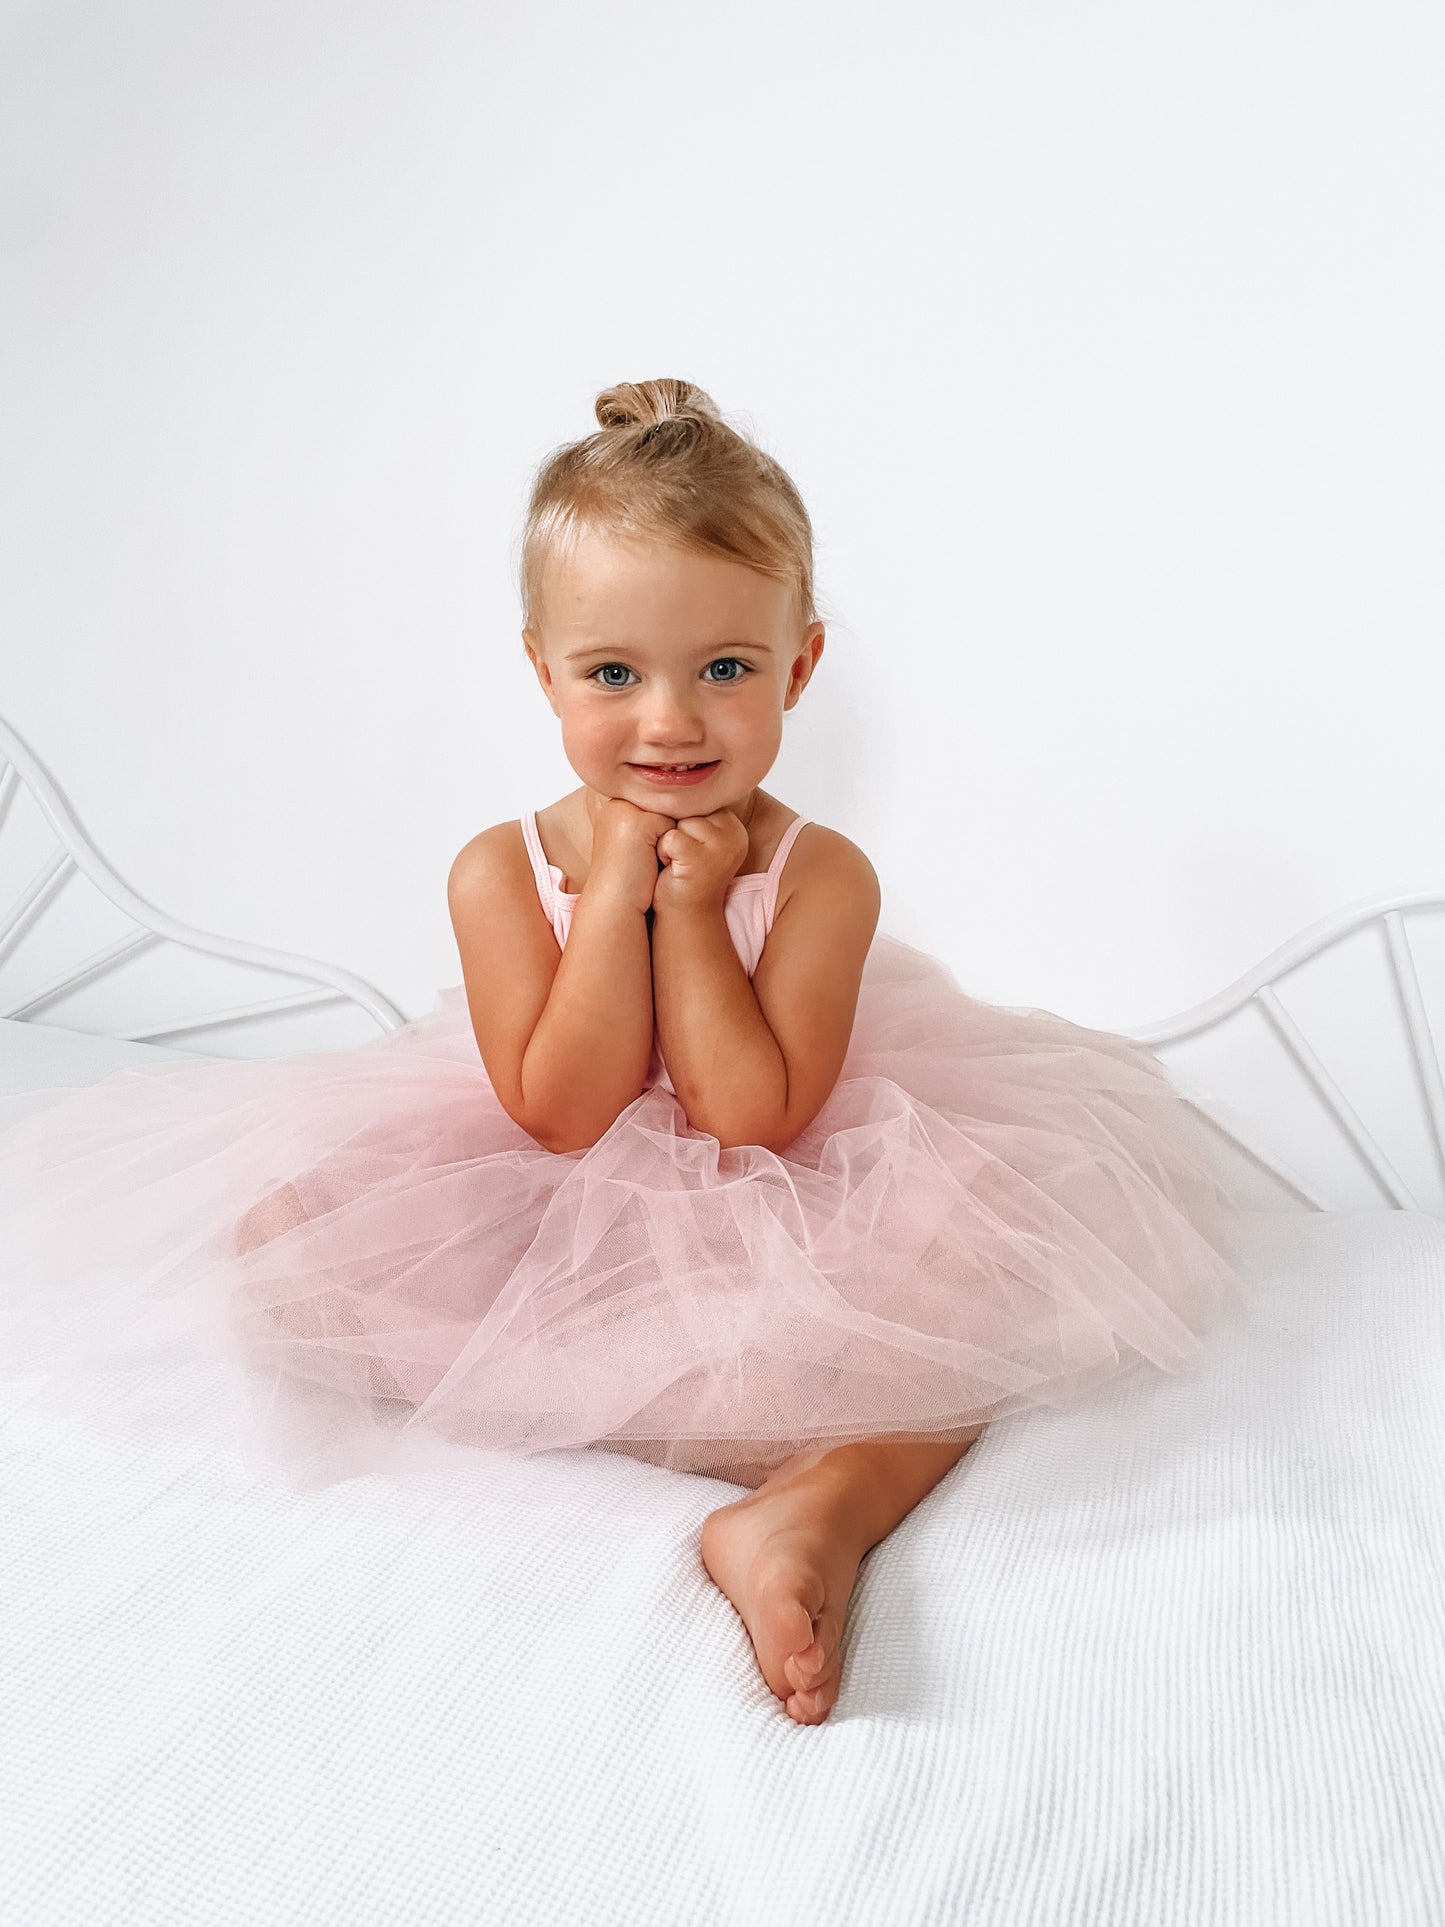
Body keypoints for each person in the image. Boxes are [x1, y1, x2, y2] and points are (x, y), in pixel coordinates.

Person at [0, 377, 1251, 1726]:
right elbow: (558, 1112)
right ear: (542, 670)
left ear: (800, 668)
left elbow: (751, 1118)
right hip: (560, 1186)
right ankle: (762, 1449)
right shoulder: (499, 871)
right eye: (613, 674)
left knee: (980, 1288)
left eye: (724, 669)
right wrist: (610, 897)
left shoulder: (821, 877)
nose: (668, 722)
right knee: (292, 1251)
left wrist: (700, 911)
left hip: (783, 1176)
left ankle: (816, 1510)